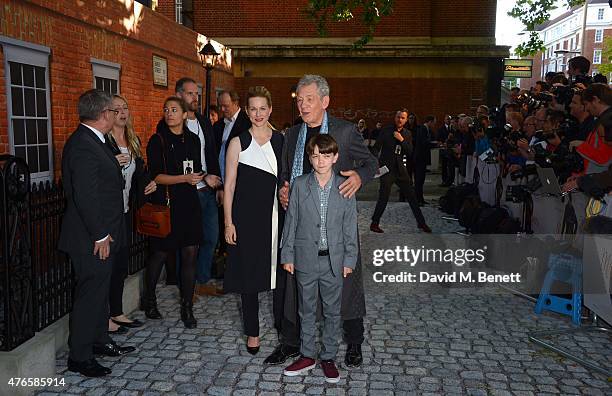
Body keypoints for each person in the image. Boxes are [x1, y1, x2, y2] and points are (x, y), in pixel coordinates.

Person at [265, 74, 378, 368]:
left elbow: (372, 163)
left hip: (338, 226)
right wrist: (284, 188)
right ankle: (291, 343)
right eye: (299, 99)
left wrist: (359, 176)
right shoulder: (291, 135)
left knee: (348, 285)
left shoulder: (345, 131)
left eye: (309, 99)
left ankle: (354, 343)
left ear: (325, 101)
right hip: (302, 224)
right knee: (294, 288)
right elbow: (285, 172)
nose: (302, 105)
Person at [59, 89, 135, 378]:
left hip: (106, 233)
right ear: (104, 114)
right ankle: (79, 356)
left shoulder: (97, 140)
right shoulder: (81, 144)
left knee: (100, 293)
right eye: (114, 112)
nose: (117, 116)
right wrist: (101, 234)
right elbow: (85, 195)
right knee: (90, 295)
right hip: (90, 238)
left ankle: (100, 340)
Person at [281, 134, 357, 383]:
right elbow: (291, 222)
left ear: (335, 157)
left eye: (325, 155)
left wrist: (349, 259)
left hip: (333, 261)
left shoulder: (345, 187)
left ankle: (328, 357)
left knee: (333, 311)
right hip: (305, 259)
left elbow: (350, 226)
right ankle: (307, 354)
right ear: (309, 157)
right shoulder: (300, 185)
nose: (320, 160)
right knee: (306, 309)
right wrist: (287, 254)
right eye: (315, 155)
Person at [223, 86, 284, 355]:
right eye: (253, 109)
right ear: (246, 112)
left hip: (276, 218)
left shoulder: (282, 141)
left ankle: (285, 330)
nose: (258, 114)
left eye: (263, 108)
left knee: (281, 277)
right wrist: (228, 222)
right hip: (245, 220)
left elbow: (287, 181)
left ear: (270, 109)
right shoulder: (237, 143)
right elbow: (230, 187)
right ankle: (253, 333)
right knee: (249, 279)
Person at [144, 97, 204, 328]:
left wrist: (203, 176)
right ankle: (149, 300)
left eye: (174, 109)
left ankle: (187, 308)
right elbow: (156, 176)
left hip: (189, 203)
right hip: (167, 204)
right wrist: (184, 178)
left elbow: (195, 168)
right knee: (159, 254)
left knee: (190, 255)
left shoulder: (193, 139)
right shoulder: (157, 140)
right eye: (166, 110)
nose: (169, 113)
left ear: (184, 114)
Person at [105, 95, 157, 334]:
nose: (122, 113)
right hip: (108, 213)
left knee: (121, 265)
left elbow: (140, 173)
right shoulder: (103, 142)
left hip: (126, 211)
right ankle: (105, 316)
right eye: (117, 109)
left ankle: (116, 312)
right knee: (107, 265)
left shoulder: (132, 140)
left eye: (125, 108)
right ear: (109, 113)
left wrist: (149, 184)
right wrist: (113, 163)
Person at [175, 77, 223, 297]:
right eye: (190, 93)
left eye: (197, 94)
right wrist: (205, 178)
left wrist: (218, 184)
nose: (195, 98)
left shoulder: (204, 121)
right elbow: (181, 162)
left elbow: (211, 154)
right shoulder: (173, 123)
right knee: (188, 242)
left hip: (208, 190)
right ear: (179, 95)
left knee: (211, 237)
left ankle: (202, 280)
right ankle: (187, 285)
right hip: (187, 192)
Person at [370, 110, 431, 234]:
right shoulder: (386, 131)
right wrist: (375, 163)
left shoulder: (407, 133)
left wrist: (402, 140)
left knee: (412, 197)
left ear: (406, 119)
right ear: (395, 117)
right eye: (398, 117)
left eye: (403, 118)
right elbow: (376, 148)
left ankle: (421, 223)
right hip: (386, 169)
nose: (400, 119)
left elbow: (410, 152)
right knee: (383, 197)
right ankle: (374, 223)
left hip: (401, 171)